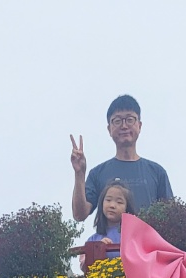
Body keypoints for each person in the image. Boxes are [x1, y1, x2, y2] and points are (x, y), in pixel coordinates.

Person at [70, 94, 173, 222]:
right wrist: (79, 173)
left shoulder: (157, 172)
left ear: (139, 125)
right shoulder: (97, 173)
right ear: (109, 129)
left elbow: (171, 219)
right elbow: (79, 215)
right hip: (111, 241)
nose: (124, 126)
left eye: (130, 119)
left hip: (145, 242)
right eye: (117, 121)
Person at [80, 180, 136, 268]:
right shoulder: (93, 239)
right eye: (108, 200)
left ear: (127, 208)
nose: (112, 205)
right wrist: (98, 248)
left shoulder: (133, 236)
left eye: (119, 202)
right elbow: (84, 266)